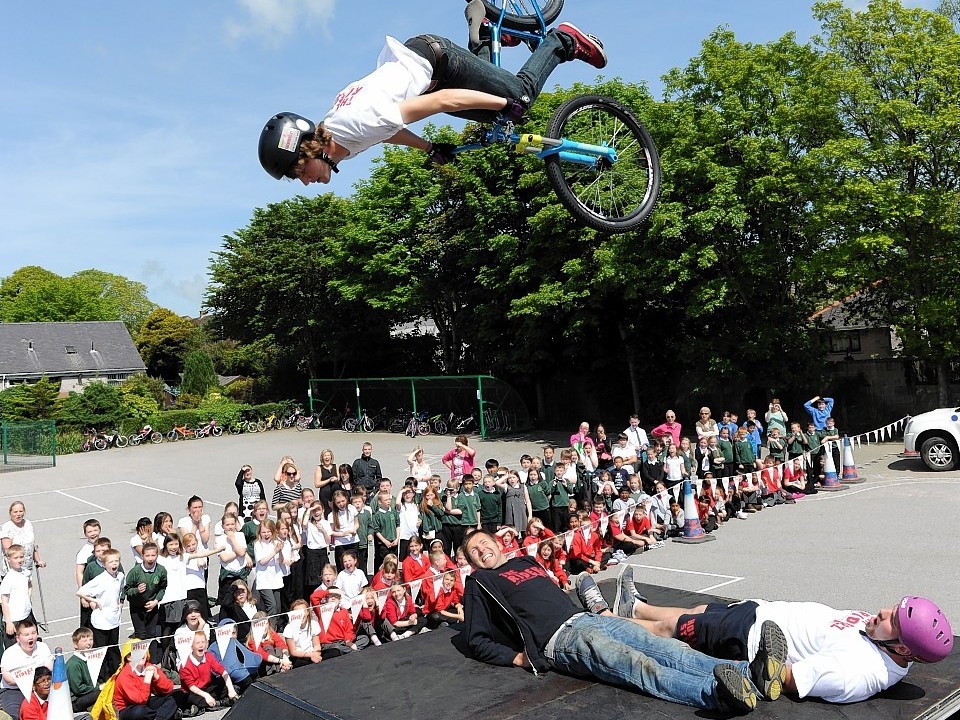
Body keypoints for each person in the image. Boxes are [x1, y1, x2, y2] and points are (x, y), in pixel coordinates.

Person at [462, 530, 774, 713]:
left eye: (483, 543)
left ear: (498, 543)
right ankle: (716, 694)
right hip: (562, 640)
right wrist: (518, 657)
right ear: (472, 561)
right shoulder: (480, 582)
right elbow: (475, 640)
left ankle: (749, 673)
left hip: (587, 618)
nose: (481, 550)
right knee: (637, 665)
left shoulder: (526, 561)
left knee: (663, 647)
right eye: (473, 550)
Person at [258, 21, 607, 183]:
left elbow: (443, 101)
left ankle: (561, 40)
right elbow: (389, 131)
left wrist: (506, 105)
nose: (305, 182)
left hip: (438, 62)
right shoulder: (338, 136)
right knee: (494, 119)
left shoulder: (356, 123)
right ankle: (486, 31)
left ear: (308, 151)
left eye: (298, 172)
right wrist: (428, 147)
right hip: (428, 74)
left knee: (518, 98)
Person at [616, 568, 953, 704]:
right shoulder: (883, 640)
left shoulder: (861, 673)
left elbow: (785, 677)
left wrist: (764, 665)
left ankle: (609, 624)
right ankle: (635, 607)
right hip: (761, 611)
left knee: (671, 630)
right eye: (892, 608)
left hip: (746, 637)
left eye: (891, 619)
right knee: (700, 610)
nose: (881, 611)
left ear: (903, 648)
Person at [76, 548, 124, 682]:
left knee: (113, 649)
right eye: (110, 562)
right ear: (104, 564)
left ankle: (116, 676)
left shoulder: (120, 576)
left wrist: (120, 604)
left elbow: (120, 590)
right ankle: (101, 678)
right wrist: (94, 600)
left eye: (116, 561)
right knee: (100, 651)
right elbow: (80, 592)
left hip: (114, 619)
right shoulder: (100, 579)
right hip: (101, 621)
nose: (114, 564)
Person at [111, 638, 179, 720]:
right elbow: (139, 700)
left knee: (175, 696)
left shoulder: (149, 666)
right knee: (139, 712)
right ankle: (166, 714)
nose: (141, 654)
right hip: (127, 709)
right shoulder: (124, 675)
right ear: (129, 657)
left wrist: (157, 677)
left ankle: (159, 717)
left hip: (145, 703)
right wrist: (147, 680)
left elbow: (169, 689)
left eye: (143, 650)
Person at [0, 619, 52, 717]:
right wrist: (29, 679)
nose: (31, 637)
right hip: (14, 690)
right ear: (18, 638)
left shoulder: (43, 647)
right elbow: (9, 679)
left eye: (33, 633)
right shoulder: (9, 653)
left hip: (39, 686)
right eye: (26, 635)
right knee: (14, 715)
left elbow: (49, 669)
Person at [179, 632, 239, 714]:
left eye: (203, 642)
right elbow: (191, 686)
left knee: (224, 683)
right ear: (191, 646)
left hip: (207, 688)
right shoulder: (185, 664)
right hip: (192, 692)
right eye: (197, 643)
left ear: (207, 644)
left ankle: (204, 706)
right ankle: (219, 703)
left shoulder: (208, 656)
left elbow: (222, 671)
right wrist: (206, 696)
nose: (201, 645)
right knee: (189, 698)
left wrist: (230, 689)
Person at [0, 545, 34, 649]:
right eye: (16, 558)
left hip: (27, 615)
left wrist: (28, 599)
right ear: (9, 559)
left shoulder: (25, 573)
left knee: (29, 643)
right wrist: (9, 622)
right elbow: (4, 602)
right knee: (14, 648)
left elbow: (29, 585)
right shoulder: (8, 579)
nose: (19, 560)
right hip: (14, 619)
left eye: (21, 557)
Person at [0, 501, 44, 579]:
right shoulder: (7, 527)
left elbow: (32, 545)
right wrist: (16, 569)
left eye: (20, 511)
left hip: (27, 568)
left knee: (28, 589)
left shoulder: (28, 524)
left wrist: (38, 560)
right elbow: (8, 550)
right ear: (10, 513)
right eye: (15, 512)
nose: (18, 514)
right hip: (13, 570)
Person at [66, 627, 99, 713]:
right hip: (75, 700)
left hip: (85, 694)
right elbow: (78, 689)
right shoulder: (74, 664)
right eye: (84, 641)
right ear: (75, 644)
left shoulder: (89, 658)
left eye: (91, 639)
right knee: (101, 693)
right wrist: (98, 687)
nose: (89, 643)